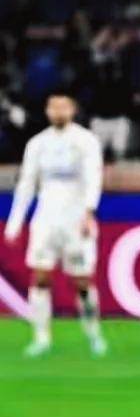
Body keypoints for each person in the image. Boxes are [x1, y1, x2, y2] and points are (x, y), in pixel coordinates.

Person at [4, 91, 108, 358]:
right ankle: (41, 338)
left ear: (72, 110)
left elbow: (93, 177)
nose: (58, 112)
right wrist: (15, 222)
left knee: (82, 281)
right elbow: (27, 184)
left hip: (76, 218)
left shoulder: (86, 141)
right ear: (48, 111)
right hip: (46, 219)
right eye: (54, 107)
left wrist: (89, 212)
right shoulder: (37, 144)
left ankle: (93, 333)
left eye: (63, 107)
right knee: (40, 277)